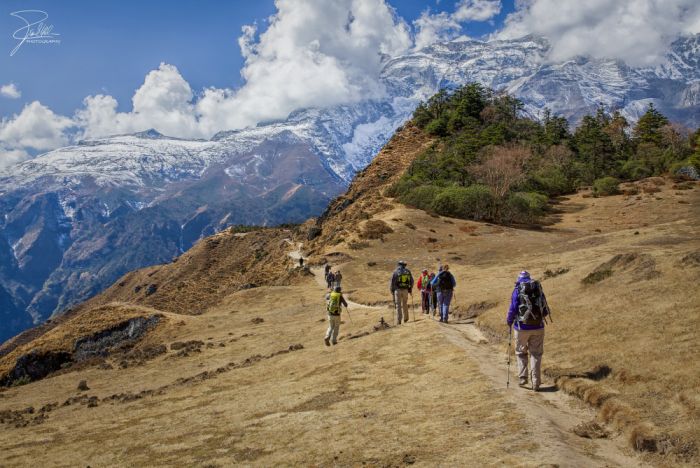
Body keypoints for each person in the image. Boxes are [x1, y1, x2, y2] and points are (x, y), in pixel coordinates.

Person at [506, 271, 551, 391]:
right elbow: (545, 309)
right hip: (538, 327)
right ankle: (536, 383)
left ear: (519, 279)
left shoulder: (517, 290)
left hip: (521, 327)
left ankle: (523, 378)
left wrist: (509, 320)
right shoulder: (537, 288)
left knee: (521, 352)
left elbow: (513, 308)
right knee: (536, 354)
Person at [390, 260, 414, 324]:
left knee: (398, 305)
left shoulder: (395, 272)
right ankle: (406, 318)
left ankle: (399, 320)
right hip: (405, 290)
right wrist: (410, 289)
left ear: (399, 264)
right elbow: (412, 281)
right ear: (404, 265)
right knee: (405, 304)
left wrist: (392, 290)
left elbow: (392, 282)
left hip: (397, 290)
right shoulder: (408, 271)